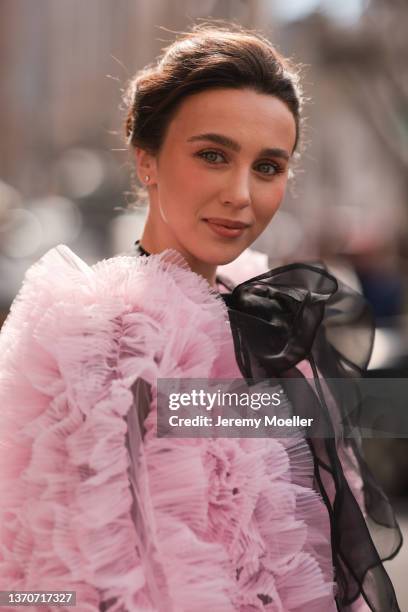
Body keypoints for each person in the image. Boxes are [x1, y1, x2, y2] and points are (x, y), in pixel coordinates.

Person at [0, 23, 402, 612]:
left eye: (268, 167)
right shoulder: (100, 332)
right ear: (147, 160)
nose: (241, 194)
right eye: (213, 155)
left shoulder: (265, 322)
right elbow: (48, 584)